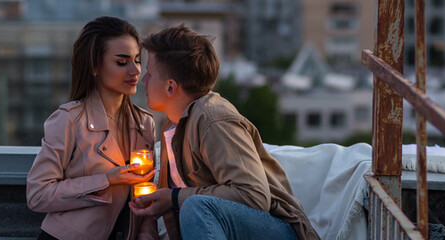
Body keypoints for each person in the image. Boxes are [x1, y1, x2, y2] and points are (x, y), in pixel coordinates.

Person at [129, 25, 320, 240]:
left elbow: (254, 195)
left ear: (170, 87)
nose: (143, 79)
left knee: (194, 206)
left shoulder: (214, 120)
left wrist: (175, 197)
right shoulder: (170, 125)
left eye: (149, 73)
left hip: (278, 230)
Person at [26, 16, 158, 240]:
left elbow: (146, 194)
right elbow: (38, 194)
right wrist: (106, 180)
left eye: (137, 60)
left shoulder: (145, 124)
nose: (135, 70)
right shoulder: (69, 120)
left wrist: (146, 234)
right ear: (95, 66)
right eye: (122, 61)